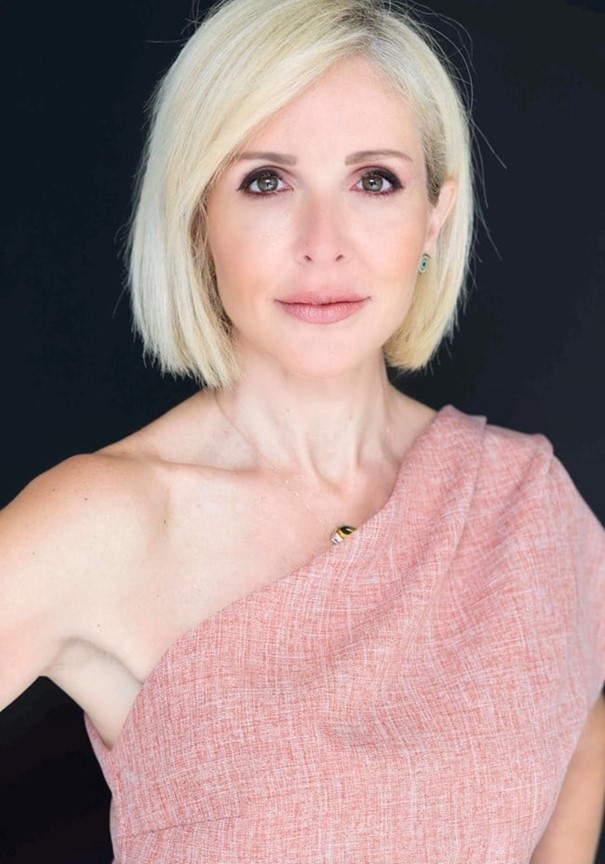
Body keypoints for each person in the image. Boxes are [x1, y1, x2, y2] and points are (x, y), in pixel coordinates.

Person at [1, 0, 604, 861]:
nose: (324, 245)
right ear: (198, 214)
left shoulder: (523, 502)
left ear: (434, 213)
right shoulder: (107, 522)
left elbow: (578, 728)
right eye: (266, 181)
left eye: (374, 181)